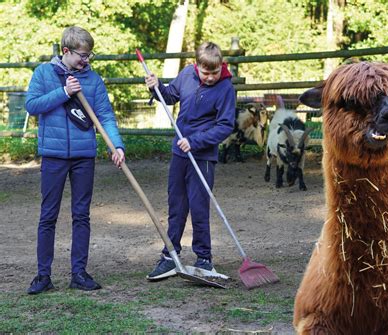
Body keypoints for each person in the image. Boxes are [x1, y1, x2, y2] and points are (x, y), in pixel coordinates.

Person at [25, 26, 125, 294]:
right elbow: (32, 105)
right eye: (82, 55)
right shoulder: (44, 74)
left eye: (90, 55)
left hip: (84, 157)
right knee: (48, 216)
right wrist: (64, 92)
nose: (87, 60)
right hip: (53, 156)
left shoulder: (94, 80)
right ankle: (43, 276)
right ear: (66, 51)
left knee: (81, 215)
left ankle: (79, 273)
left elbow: (105, 116)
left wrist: (116, 145)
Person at [145, 42, 235, 281]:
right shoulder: (186, 74)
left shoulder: (226, 88)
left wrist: (195, 141)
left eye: (215, 73)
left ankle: (204, 259)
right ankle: (170, 256)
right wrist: (156, 88)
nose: (210, 78)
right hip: (179, 154)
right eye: (206, 73)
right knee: (176, 205)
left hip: (203, 156)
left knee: (198, 207)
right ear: (197, 66)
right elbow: (170, 96)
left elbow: (225, 125)